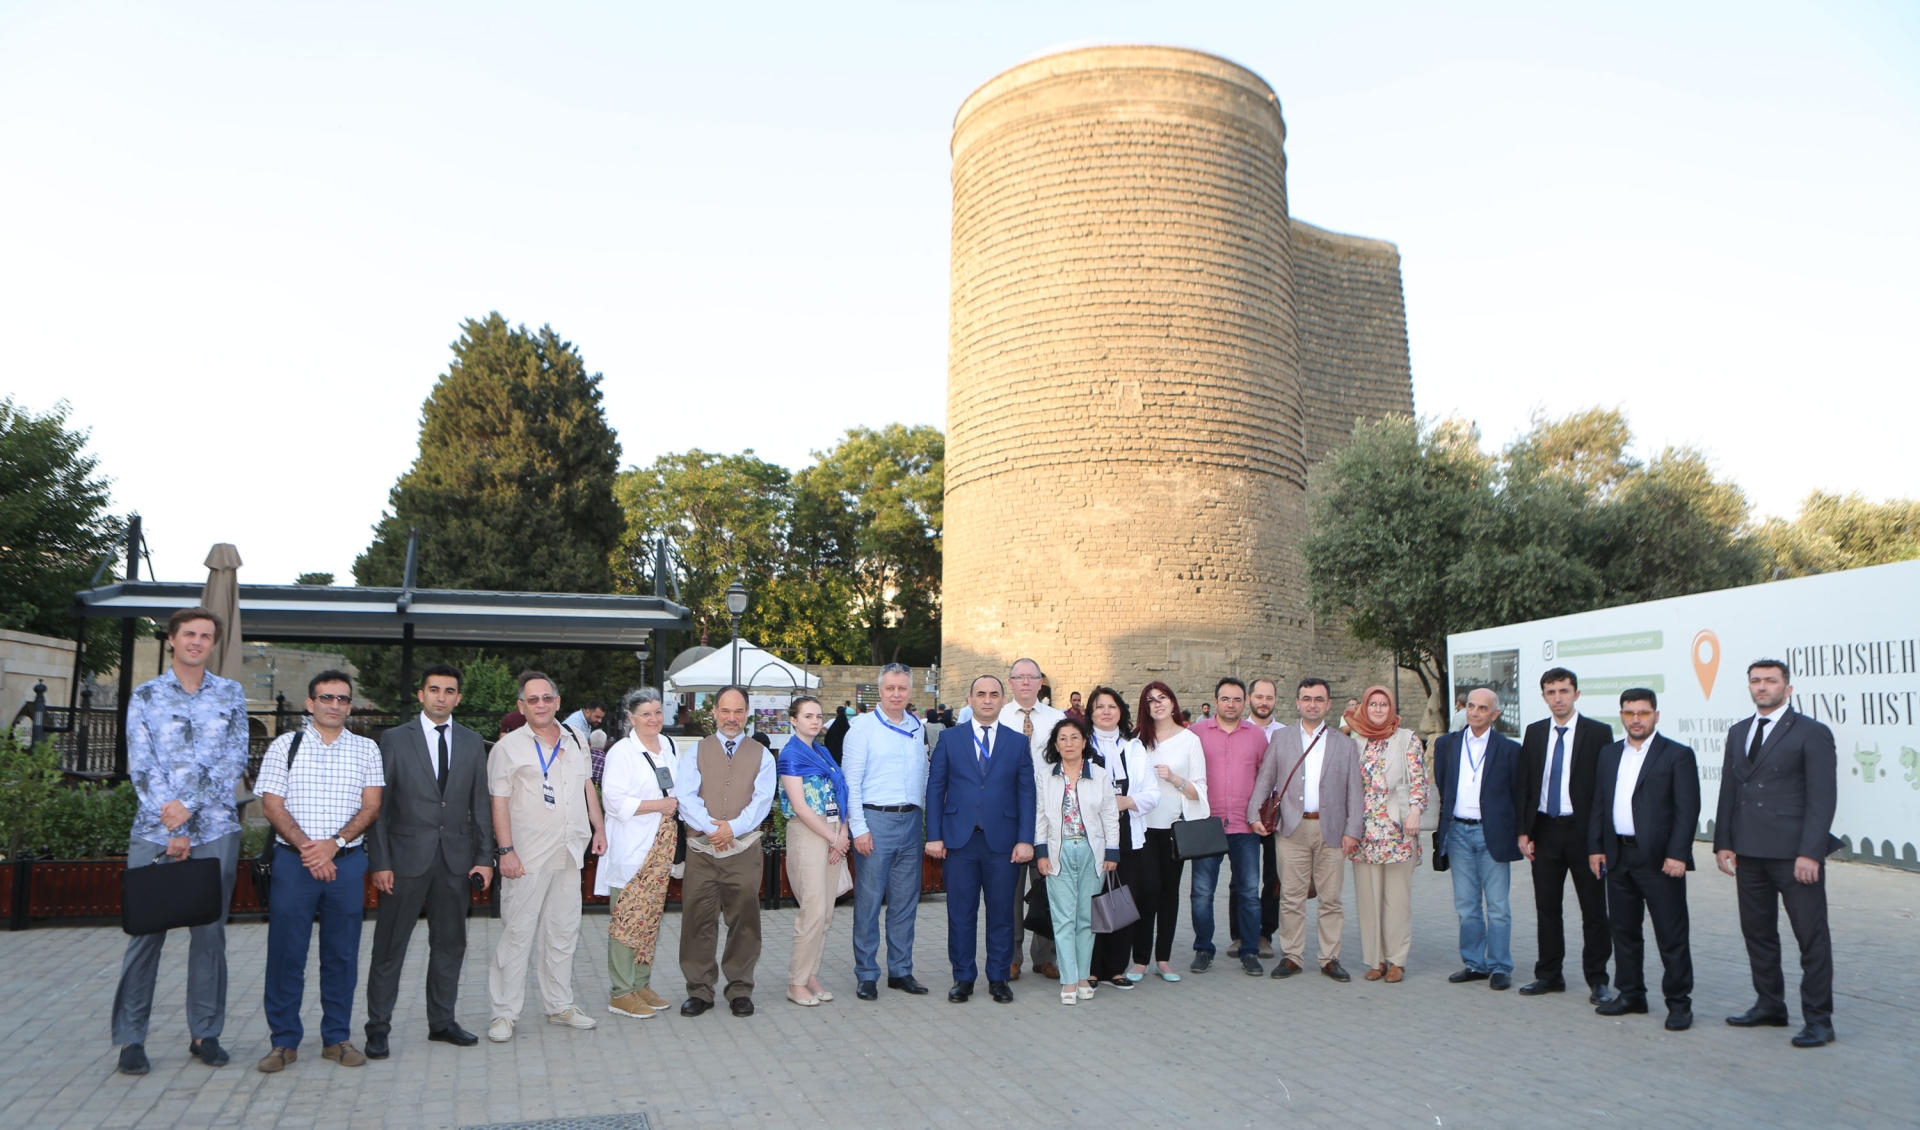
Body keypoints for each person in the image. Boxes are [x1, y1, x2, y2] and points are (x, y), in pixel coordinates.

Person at [112, 607, 250, 1076]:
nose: (196, 641)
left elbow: (235, 761)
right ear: (172, 639)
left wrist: (188, 809)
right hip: (153, 831)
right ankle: (131, 1039)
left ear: (213, 644)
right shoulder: (146, 695)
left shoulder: (231, 694)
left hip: (216, 831)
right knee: (145, 934)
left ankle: (205, 1033)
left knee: (209, 936)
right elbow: (142, 764)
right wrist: (173, 826)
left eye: (205, 635)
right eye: (188, 634)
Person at [256, 670, 385, 1072]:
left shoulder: (366, 749)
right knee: (286, 954)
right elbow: (272, 805)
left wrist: (335, 845)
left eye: (343, 699)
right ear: (310, 703)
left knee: (342, 955)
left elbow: (371, 806)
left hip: (346, 865)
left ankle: (337, 1038)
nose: (335, 705)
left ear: (350, 705)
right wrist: (309, 849)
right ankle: (283, 1042)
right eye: (326, 697)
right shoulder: (285, 746)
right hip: (294, 864)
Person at [364, 663, 495, 1058]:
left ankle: (442, 1022)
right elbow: (378, 808)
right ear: (421, 695)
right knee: (390, 947)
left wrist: (484, 858)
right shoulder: (392, 739)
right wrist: (380, 861)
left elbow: (481, 806)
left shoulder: (473, 743)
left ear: (458, 697)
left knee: (450, 944)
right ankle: (378, 1027)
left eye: (449, 690)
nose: (441, 696)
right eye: (434, 689)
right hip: (403, 861)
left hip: (455, 862)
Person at [1715, 658, 1839, 1048]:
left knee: (1811, 938)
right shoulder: (1738, 732)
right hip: (1749, 852)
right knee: (1758, 933)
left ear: (1788, 688)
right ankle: (1770, 1005)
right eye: (1756, 681)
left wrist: (1811, 853)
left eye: (1770, 681)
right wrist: (1723, 841)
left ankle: (1819, 1020)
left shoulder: (1811, 732)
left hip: (1794, 855)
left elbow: (1823, 799)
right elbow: (1729, 791)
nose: (1762, 687)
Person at [487, 671, 607, 1042]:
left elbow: (588, 785)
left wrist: (599, 829)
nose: (540, 704)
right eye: (532, 699)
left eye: (546, 698)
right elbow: (499, 802)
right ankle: (504, 1013)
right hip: (526, 855)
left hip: (569, 850)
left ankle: (559, 1005)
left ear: (557, 701)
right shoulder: (506, 748)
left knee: (563, 933)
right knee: (518, 934)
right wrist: (505, 851)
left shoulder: (575, 739)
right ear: (521, 706)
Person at [1589, 688, 1699, 1031]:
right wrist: (1596, 847)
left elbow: (1687, 809)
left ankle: (1679, 1003)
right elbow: (1599, 803)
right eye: (1629, 712)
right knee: (1623, 931)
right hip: (1618, 857)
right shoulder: (1608, 754)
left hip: (1660, 861)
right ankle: (1631, 993)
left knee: (1671, 934)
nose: (1636, 719)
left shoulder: (1677, 755)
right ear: (1621, 715)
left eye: (1643, 712)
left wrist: (1678, 854)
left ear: (1656, 715)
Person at [926, 674, 1036, 1004]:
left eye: (994, 694)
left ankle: (999, 977)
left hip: (1003, 844)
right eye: (980, 694)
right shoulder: (950, 740)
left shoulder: (1017, 742)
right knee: (961, 914)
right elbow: (935, 788)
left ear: (1003, 700)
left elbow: (1026, 794)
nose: (987, 700)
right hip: (959, 843)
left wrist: (1025, 839)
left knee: (1002, 914)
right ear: (970, 699)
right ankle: (963, 977)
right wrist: (934, 835)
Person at [1249, 677, 1361, 982]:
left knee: (1331, 899)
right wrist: (1253, 812)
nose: (1312, 704)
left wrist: (1353, 830)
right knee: (1291, 896)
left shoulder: (1345, 744)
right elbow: (1265, 778)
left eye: (1319, 699)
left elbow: (1355, 791)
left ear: (1328, 704)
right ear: (1298, 703)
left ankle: (1329, 957)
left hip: (1332, 830)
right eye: (1307, 698)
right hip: (1291, 828)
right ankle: (1292, 955)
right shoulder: (1282, 739)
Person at [675, 685, 776, 1018]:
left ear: (746, 714)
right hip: (702, 849)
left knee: (744, 919)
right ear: (714, 712)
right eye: (725, 711)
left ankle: (740, 988)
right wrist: (710, 827)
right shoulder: (695, 752)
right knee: (697, 918)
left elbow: (761, 801)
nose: (732, 718)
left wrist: (731, 828)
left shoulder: (762, 755)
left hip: (742, 848)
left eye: (738, 711)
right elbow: (686, 796)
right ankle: (699, 990)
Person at [1516, 667, 1616, 1002]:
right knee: (1547, 907)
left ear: (1576, 693)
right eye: (1551, 691)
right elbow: (1526, 786)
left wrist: (1599, 841)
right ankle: (1549, 974)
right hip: (1544, 832)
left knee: (1593, 910)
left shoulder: (1598, 733)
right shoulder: (1534, 733)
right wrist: (1524, 831)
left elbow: (1605, 790)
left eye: (1563, 690)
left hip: (1583, 834)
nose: (1557, 697)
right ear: (1543, 695)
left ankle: (1598, 979)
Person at [843, 663, 930, 1000]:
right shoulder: (861, 727)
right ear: (879, 690)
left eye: (902, 689)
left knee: (905, 903)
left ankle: (901, 970)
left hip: (910, 822)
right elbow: (851, 780)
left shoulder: (916, 727)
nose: (896, 694)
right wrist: (859, 829)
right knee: (868, 902)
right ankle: (866, 973)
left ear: (910, 691)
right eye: (890, 688)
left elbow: (923, 776)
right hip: (874, 822)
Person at [1432, 686, 1527, 990]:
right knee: (1466, 905)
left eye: (1482, 708)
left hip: (1492, 833)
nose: (1474, 712)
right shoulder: (1447, 744)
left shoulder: (1510, 750)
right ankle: (1474, 963)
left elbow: (1518, 794)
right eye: (1471, 706)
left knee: (1498, 906)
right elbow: (1443, 784)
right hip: (1458, 832)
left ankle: (1500, 965)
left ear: (1495, 714)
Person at [598, 688, 681, 1020]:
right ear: (631, 718)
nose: (654, 719)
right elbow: (613, 801)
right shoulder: (622, 752)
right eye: (646, 713)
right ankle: (621, 991)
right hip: (633, 848)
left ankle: (641, 983)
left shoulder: (669, 746)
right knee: (626, 919)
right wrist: (659, 806)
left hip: (661, 846)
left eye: (658, 712)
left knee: (649, 919)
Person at [1339, 686, 1426, 983]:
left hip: (1397, 830)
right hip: (1364, 832)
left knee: (1397, 900)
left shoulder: (1407, 739)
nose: (1377, 709)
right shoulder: (1354, 739)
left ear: (1392, 708)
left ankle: (1397, 960)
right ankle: (1375, 958)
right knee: (1368, 898)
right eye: (1373, 704)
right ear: (1365, 706)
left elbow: (1418, 781)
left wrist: (1415, 811)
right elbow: (1346, 785)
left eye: (1383, 704)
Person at [1034, 717, 1121, 1005]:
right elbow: (1041, 816)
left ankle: (1084, 977)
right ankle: (1068, 980)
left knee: (1086, 919)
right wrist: (1042, 852)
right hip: (1059, 853)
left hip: (1090, 853)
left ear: (1084, 742)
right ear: (1055, 745)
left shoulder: (1099, 774)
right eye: (1062, 738)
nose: (1068, 743)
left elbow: (1110, 814)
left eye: (1074, 738)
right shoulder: (1047, 776)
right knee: (1063, 919)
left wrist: (1112, 851)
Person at [1188, 677, 1269, 975]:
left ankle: (1249, 950)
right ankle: (1203, 949)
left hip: (1245, 826)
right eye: (1225, 699)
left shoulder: (1257, 736)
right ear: (1216, 700)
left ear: (1244, 702)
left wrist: (1260, 814)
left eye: (1236, 700)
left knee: (1248, 891)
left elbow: (1266, 778)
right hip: (1207, 824)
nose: (1231, 705)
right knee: (1201, 892)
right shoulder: (1196, 734)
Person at [1085, 686, 1160, 989]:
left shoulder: (1134, 748)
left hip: (1127, 835)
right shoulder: (1081, 744)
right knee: (1091, 900)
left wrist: (1127, 802)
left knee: (1120, 899)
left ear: (1121, 712)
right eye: (1100, 706)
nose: (1106, 711)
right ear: (1090, 712)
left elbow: (1152, 793)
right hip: (1089, 836)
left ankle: (1116, 967)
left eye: (1112, 706)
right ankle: (1090, 967)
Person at [778, 695, 851, 1006]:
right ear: (793, 720)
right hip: (809, 832)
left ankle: (811, 975)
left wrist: (843, 833)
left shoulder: (821, 752)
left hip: (833, 830)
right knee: (813, 910)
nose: (815, 721)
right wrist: (834, 838)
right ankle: (796, 982)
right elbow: (800, 807)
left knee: (826, 914)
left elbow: (839, 792)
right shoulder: (791, 754)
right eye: (808, 716)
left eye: (819, 716)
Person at [1132, 681, 1206, 982]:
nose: (1157, 704)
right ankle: (1139, 959)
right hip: (1142, 827)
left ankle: (1163, 958)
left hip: (1174, 828)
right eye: (1151, 700)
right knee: (1145, 891)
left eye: (1162, 698)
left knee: (1168, 894)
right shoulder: (1137, 739)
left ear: (1173, 703)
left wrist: (1175, 778)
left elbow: (1199, 790)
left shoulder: (1190, 740)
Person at [1004, 657, 1065, 980]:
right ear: (1010, 682)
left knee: (1046, 888)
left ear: (1041, 683)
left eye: (1032, 677)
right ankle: (1011, 955)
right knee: (1009, 893)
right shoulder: (997, 717)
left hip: (1048, 816)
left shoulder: (1058, 719)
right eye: (1019, 677)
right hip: (1010, 816)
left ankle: (1045, 955)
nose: (1026, 682)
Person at [1233, 676, 1284, 959]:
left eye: (1269, 697)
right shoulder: (1238, 729)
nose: (1264, 702)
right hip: (1242, 813)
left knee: (1273, 877)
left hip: (1275, 814)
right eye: (1259, 696)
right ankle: (1239, 935)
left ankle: (1265, 934)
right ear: (1250, 699)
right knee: (1241, 878)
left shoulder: (1285, 733)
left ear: (1275, 700)